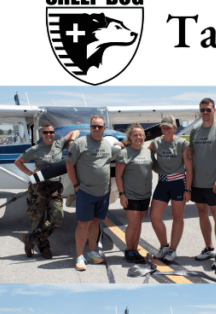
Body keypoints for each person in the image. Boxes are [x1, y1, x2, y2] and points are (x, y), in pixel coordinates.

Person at [13, 122, 75, 259]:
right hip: (38, 188)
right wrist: (30, 174)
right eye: (46, 132)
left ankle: (31, 239)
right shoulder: (35, 149)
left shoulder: (59, 144)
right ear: (41, 134)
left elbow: (74, 132)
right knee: (38, 219)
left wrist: (71, 142)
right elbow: (18, 162)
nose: (49, 135)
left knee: (57, 216)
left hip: (54, 187)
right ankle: (44, 247)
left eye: (51, 132)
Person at [66, 115, 118, 271]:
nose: (97, 129)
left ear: (104, 129)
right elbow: (69, 164)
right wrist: (75, 185)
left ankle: (92, 252)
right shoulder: (80, 143)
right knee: (83, 224)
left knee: (95, 222)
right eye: (94, 126)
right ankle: (80, 256)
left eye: (100, 127)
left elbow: (108, 164)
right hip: (85, 191)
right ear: (90, 127)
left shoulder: (107, 145)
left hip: (103, 192)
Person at [187, 98, 216, 270]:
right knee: (201, 212)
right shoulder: (195, 131)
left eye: (208, 109)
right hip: (198, 182)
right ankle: (209, 247)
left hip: (215, 182)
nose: (205, 113)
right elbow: (191, 153)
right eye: (202, 110)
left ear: (214, 110)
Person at [149, 116, 192, 263]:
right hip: (162, 183)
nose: (166, 130)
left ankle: (173, 250)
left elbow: (190, 169)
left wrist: (188, 189)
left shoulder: (183, 144)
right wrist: (156, 168)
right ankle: (164, 246)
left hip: (179, 184)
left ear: (175, 128)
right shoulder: (156, 143)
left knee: (177, 217)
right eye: (163, 127)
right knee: (154, 216)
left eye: (169, 127)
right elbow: (147, 155)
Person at [115, 124, 155, 264]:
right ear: (130, 137)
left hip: (145, 194)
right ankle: (128, 250)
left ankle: (135, 249)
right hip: (130, 194)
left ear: (144, 137)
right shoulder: (124, 153)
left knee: (139, 224)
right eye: (136, 135)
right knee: (133, 223)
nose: (139, 137)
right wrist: (122, 194)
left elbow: (156, 168)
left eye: (141, 135)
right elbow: (118, 176)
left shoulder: (148, 153)